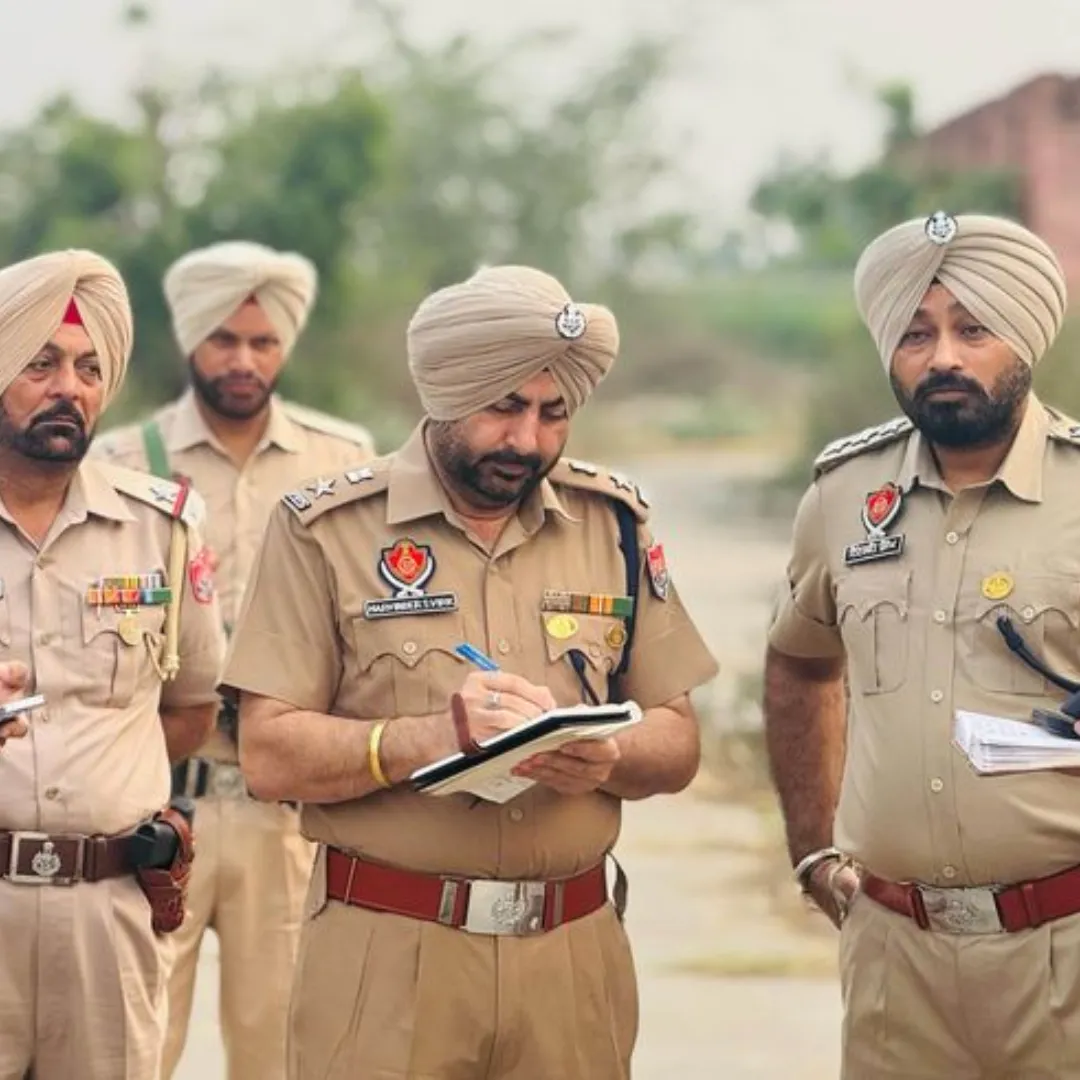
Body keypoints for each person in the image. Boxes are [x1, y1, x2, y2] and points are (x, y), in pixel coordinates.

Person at [219, 264, 719, 1080]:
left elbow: (678, 739)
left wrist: (608, 757)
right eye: (504, 408)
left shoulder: (612, 524)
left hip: (572, 957)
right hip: (388, 958)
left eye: (553, 414)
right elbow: (268, 756)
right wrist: (428, 740)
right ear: (446, 394)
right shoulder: (326, 530)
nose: (527, 441)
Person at [764, 210, 1080, 1078]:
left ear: (1024, 338)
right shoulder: (843, 493)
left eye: (972, 330)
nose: (942, 357)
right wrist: (812, 852)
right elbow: (800, 664)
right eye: (915, 334)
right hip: (894, 957)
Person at [92, 240, 376, 1080]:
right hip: (155, 806)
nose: (244, 360)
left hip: (284, 812)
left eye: (263, 342)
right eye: (224, 339)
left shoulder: (342, 459)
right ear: (191, 340)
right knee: (131, 1047)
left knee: (284, 1051)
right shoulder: (119, 461)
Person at [0, 249, 224, 1080]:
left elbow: (191, 710)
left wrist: (99, 774)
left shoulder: (161, 527)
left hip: (109, 914)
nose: (70, 388)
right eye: (41, 364)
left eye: (90, 369)